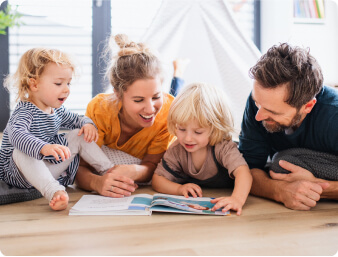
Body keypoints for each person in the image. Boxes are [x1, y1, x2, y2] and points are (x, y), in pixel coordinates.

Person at [0, 48, 117, 210]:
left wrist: (87, 123)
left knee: (78, 134)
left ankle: (109, 170)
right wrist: (44, 147)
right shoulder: (25, 111)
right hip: (18, 173)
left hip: (45, 168)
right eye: (58, 83)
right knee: (20, 150)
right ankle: (54, 191)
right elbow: (17, 135)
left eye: (68, 83)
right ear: (34, 84)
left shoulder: (57, 110)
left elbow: (77, 119)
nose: (66, 89)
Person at [75, 34, 185, 198]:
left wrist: (135, 170)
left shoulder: (167, 113)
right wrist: (96, 183)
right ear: (118, 94)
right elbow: (80, 167)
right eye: (139, 100)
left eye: (156, 97)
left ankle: (180, 71)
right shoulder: (100, 109)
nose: (150, 109)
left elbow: (153, 166)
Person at [238, 43, 338, 211]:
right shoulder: (261, 102)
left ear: (308, 106)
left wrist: (320, 187)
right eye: (257, 104)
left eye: (272, 112)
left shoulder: (333, 116)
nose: (258, 116)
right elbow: (245, 169)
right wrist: (279, 191)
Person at [152, 83, 252, 215]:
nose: (188, 138)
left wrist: (236, 199)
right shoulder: (177, 149)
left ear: (215, 129)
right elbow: (157, 179)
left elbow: (244, 173)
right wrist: (179, 189)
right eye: (181, 129)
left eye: (197, 132)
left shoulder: (223, 146)